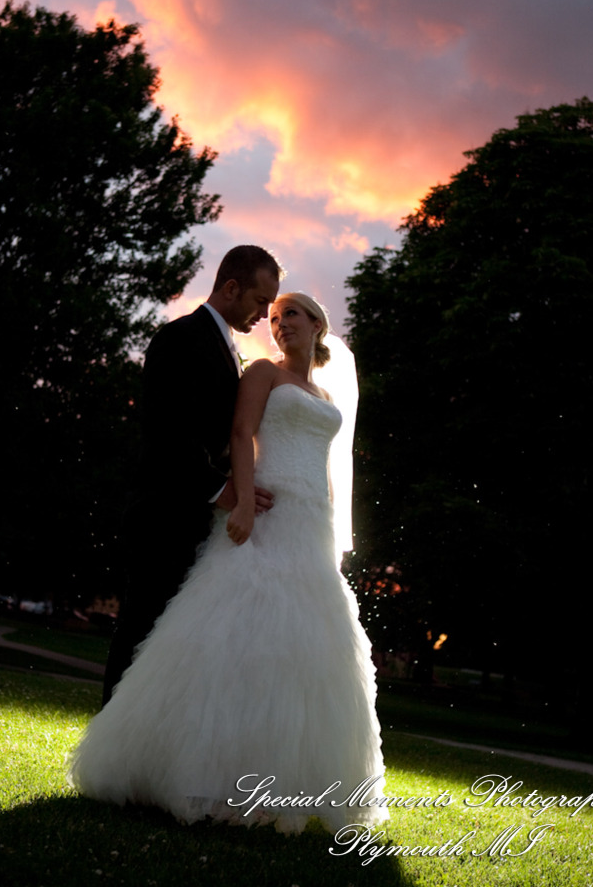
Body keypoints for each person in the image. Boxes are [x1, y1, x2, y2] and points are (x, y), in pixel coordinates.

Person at [70, 292, 387, 834]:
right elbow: (242, 434)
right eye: (272, 317)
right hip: (263, 511)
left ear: (316, 323)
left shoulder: (327, 391)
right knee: (235, 629)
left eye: (291, 314)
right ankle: (197, 774)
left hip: (310, 523)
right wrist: (241, 500)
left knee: (305, 650)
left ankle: (285, 788)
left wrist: (331, 527)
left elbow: (332, 466)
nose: (279, 323)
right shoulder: (262, 372)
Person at [101, 245, 282, 705]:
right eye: (260, 301)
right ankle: (110, 756)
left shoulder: (227, 347)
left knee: (171, 646)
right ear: (231, 287)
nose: (265, 313)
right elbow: (167, 435)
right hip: (163, 514)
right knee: (140, 633)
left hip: (195, 522)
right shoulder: (179, 338)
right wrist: (224, 490)